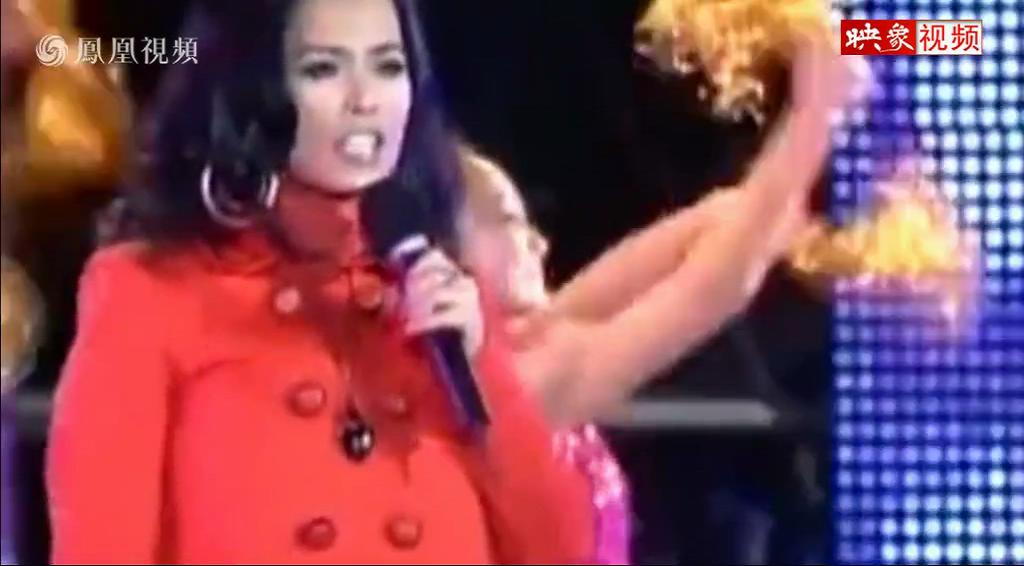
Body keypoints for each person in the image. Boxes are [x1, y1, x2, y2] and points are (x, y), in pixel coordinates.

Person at [45, 0, 596, 563]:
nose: (365, 100)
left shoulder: (441, 297)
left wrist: (482, 369)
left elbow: (562, 549)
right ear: (252, 91)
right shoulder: (148, 292)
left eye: (388, 66)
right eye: (323, 68)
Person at [454, 26, 861, 562]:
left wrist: (780, 198)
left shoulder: (532, 342)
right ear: (451, 255)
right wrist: (814, 116)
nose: (539, 242)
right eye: (510, 222)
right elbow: (712, 290)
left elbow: (705, 232)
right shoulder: (516, 381)